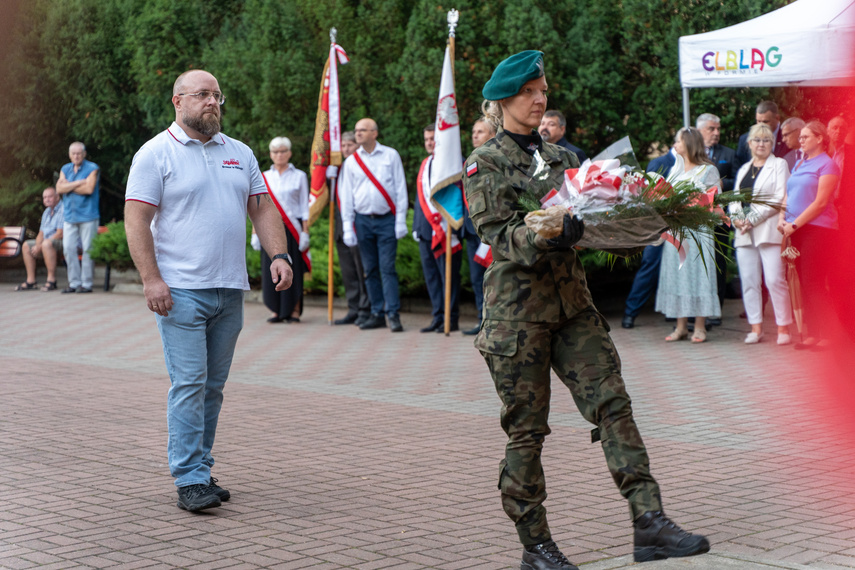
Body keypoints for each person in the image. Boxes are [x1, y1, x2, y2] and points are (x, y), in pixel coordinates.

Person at [465, 50, 709, 570]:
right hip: (518, 317)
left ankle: (650, 523)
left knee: (614, 406)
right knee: (527, 431)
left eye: (544, 91)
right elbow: (500, 237)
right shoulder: (484, 163)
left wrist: (640, 226)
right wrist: (552, 233)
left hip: (573, 308)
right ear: (503, 100)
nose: (539, 100)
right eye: (530, 92)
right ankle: (536, 547)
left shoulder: (566, 160)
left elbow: (597, 218)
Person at [125, 69, 293, 512]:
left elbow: (261, 207)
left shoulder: (238, 152)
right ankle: (189, 478)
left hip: (230, 288)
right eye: (202, 95)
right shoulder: (155, 153)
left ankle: (200, 464)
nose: (212, 102)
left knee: (212, 387)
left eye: (217, 95)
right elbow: (136, 220)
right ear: (177, 101)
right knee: (190, 383)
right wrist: (151, 279)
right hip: (180, 290)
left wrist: (279, 255)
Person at [339, 118, 408, 333]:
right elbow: (347, 196)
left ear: (374, 133)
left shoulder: (390, 155)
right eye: (357, 130)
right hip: (362, 220)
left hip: (386, 219)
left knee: (387, 269)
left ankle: (393, 314)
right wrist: (348, 226)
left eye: (363, 130)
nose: (358, 133)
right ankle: (377, 313)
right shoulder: (351, 162)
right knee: (369, 270)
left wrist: (400, 220)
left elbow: (400, 188)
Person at [655, 127, 722, 343]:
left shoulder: (707, 170)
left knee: (698, 276)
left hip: (698, 231)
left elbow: (716, 202)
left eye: (678, 141)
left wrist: (696, 206)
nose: (675, 144)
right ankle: (681, 325)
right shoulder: (675, 168)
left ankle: (700, 326)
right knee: (677, 276)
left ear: (689, 143)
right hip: (676, 232)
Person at [779, 120, 840, 350]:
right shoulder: (800, 164)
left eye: (805, 137)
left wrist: (793, 225)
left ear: (820, 139)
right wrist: (781, 219)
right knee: (801, 282)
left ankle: (830, 334)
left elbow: (821, 202)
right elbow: (788, 194)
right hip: (796, 229)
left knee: (814, 281)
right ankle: (813, 333)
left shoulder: (828, 165)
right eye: (801, 137)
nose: (801, 140)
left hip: (818, 230)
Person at [730, 124, 792, 345]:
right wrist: (737, 220)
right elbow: (735, 200)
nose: (761, 144)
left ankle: (783, 328)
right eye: (757, 140)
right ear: (749, 144)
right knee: (749, 281)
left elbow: (778, 198)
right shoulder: (744, 168)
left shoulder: (779, 164)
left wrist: (751, 219)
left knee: (775, 279)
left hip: (768, 231)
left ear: (772, 143)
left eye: (766, 140)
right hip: (744, 234)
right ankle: (756, 328)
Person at [251, 136, 309, 323]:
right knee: (272, 269)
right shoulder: (264, 177)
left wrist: (305, 232)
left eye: (283, 151)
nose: (279, 155)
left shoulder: (299, 175)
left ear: (289, 153)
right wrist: (254, 232)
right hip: (269, 229)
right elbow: (257, 207)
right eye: (275, 152)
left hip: (293, 229)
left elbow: (304, 206)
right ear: (271, 154)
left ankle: (293, 310)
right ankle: (275, 309)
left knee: (293, 269)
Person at [413, 123, 461, 332]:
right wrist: (417, 227)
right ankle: (438, 316)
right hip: (426, 230)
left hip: (446, 228)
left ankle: (451, 318)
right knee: (431, 277)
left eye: (433, 138)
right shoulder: (425, 164)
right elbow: (419, 198)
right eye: (427, 139)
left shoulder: (453, 166)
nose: (430, 143)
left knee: (448, 276)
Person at [620, 146, 675, 329]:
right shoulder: (659, 163)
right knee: (650, 266)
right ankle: (630, 312)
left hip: (680, 229)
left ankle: (674, 312)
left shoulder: (695, 165)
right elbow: (647, 195)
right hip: (657, 228)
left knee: (677, 269)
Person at [697, 112, 740, 321]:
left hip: (719, 218)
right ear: (700, 131)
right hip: (697, 219)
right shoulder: (692, 154)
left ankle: (716, 311)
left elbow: (738, 180)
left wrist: (722, 184)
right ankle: (696, 311)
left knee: (718, 263)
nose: (716, 133)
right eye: (711, 129)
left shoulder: (729, 154)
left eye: (718, 129)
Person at [329, 131, 371, 326]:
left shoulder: (360, 167)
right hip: (340, 227)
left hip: (357, 225)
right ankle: (353, 308)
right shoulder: (338, 169)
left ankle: (366, 308)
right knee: (348, 272)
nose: (346, 149)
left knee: (362, 269)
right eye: (343, 146)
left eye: (350, 145)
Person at [462, 117, 497, 335]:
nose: (475, 135)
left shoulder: (496, 160)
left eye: (480, 131)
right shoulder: (469, 161)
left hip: (491, 230)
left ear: (492, 135)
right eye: (474, 131)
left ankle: (496, 321)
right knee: (477, 278)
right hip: (472, 229)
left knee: (494, 277)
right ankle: (482, 318)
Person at [56, 141, 100, 294]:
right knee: (68, 249)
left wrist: (69, 185)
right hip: (69, 216)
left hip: (88, 216)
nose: (76, 156)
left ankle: (86, 284)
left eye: (79, 153)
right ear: (70, 155)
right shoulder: (65, 168)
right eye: (73, 154)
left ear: (84, 154)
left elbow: (89, 189)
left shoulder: (92, 168)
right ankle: (74, 283)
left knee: (88, 249)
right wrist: (79, 182)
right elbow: (59, 188)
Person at [15, 187, 63, 292]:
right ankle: (31, 281)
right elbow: (41, 233)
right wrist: (37, 245)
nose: (47, 199)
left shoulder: (63, 209)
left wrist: (41, 246)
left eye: (50, 196)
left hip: (62, 242)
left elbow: (60, 233)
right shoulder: (46, 212)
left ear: (57, 197)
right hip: (47, 242)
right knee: (27, 245)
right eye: (44, 197)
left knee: (46, 244)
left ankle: (51, 281)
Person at [736, 101, 787, 166]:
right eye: (758, 121)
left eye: (765, 121)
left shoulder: (787, 137)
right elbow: (739, 166)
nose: (761, 125)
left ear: (777, 118)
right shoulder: (745, 139)